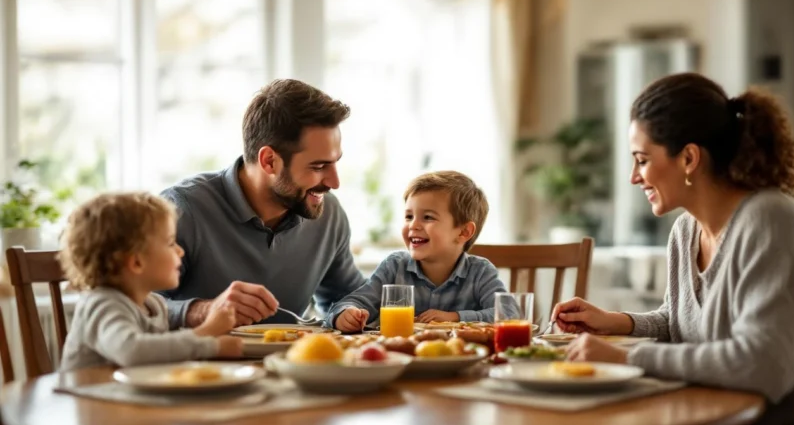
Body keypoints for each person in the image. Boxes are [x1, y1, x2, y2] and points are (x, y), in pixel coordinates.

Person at [551, 73, 794, 425]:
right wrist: (615, 322)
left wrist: (629, 359)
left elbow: (766, 368)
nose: (633, 177)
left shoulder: (770, 222)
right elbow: (680, 323)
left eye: (642, 160)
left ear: (689, 158)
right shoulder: (686, 230)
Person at [159, 79, 366, 329]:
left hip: (292, 366)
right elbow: (127, 306)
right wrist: (200, 311)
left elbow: (345, 298)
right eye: (319, 166)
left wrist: (351, 311)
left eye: (335, 162)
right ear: (269, 161)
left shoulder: (328, 213)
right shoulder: (182, 210)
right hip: (199, 366)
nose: (334, 182)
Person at [59, 193, 243, 371]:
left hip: (125, 399)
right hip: (85, 399)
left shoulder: (154, 304)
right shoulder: (102, 304)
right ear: (136, 262)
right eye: (171, 243)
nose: (180, 251)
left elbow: (161, 353)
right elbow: (131, 351)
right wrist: (207, 335)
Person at [329, 171, 506, 332]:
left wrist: (455, 317)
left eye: (428, 217)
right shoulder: (394, 266)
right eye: (409, 217)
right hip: (401, 357)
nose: (413, 225)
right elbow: (353, 301)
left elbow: (509, 314)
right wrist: (345, 314)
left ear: (463, 232)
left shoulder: (480, 271)